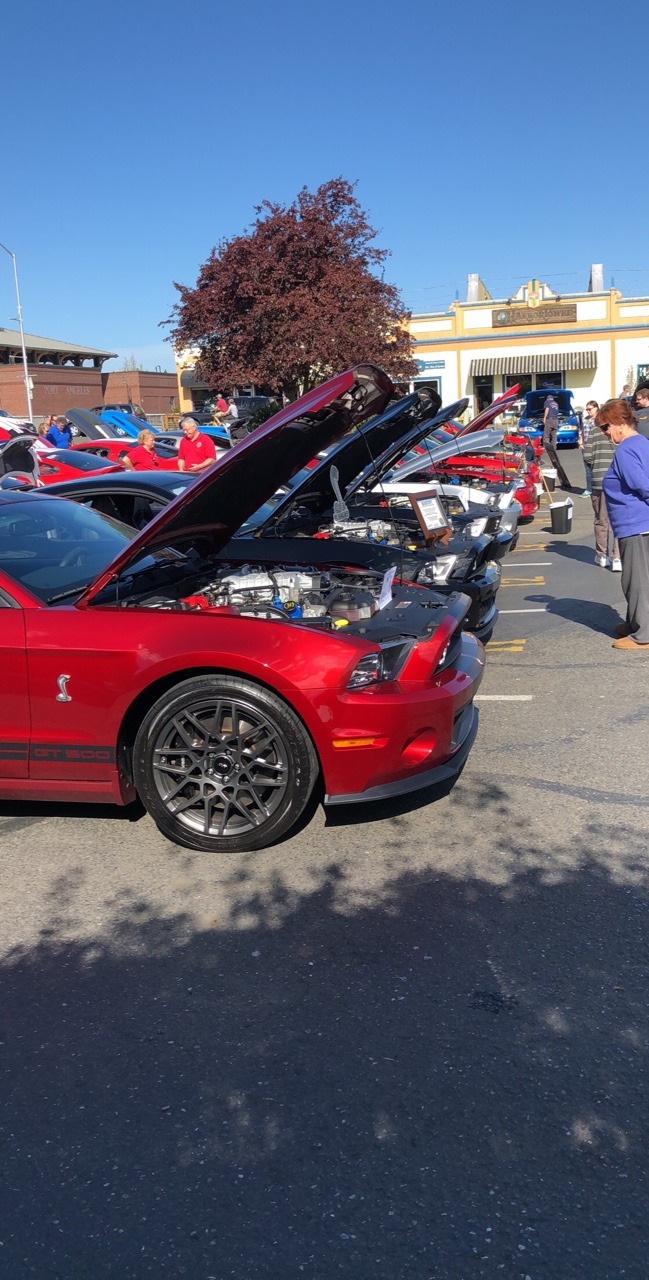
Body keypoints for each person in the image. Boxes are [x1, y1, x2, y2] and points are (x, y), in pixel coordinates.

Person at [597, 398, 649, 648]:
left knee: (635, 580)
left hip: (635, 524)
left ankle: (644, 634)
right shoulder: (641, 443)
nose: (605, 433)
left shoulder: (627, 449)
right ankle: (634, 622)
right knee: (640, 578)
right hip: (639, 524)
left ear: (618, 422)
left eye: (605, 427)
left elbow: (643, 485)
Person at [582, 411, 620, 569]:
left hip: (599, 480)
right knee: (618, 520)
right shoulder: (620, 430)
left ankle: (602, 555)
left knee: (601, 519)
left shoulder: (595, 431)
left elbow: (588, 456)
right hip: (618, 480)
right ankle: (617, 557)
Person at [542, 394, 570, 488]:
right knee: (554, 435)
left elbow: (547, 410)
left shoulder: (547, 402)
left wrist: (544, 418)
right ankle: (553, 448)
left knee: (546, 434)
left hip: (549, 419)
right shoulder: (555, 403)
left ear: (547, 398)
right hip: (556, 420)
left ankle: (546, 447)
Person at [579, 400, 598, 495]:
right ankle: (589, 489)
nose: (588, 411)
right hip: (586, 446)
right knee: (588, 469)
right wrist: (581, 442)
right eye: (586, 409)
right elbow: (582, 431)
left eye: (590, 409)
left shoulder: (600, 419)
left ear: (596, 408)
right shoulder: (585, 419)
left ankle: (597, 489)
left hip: (596, 447)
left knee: (597, 469)